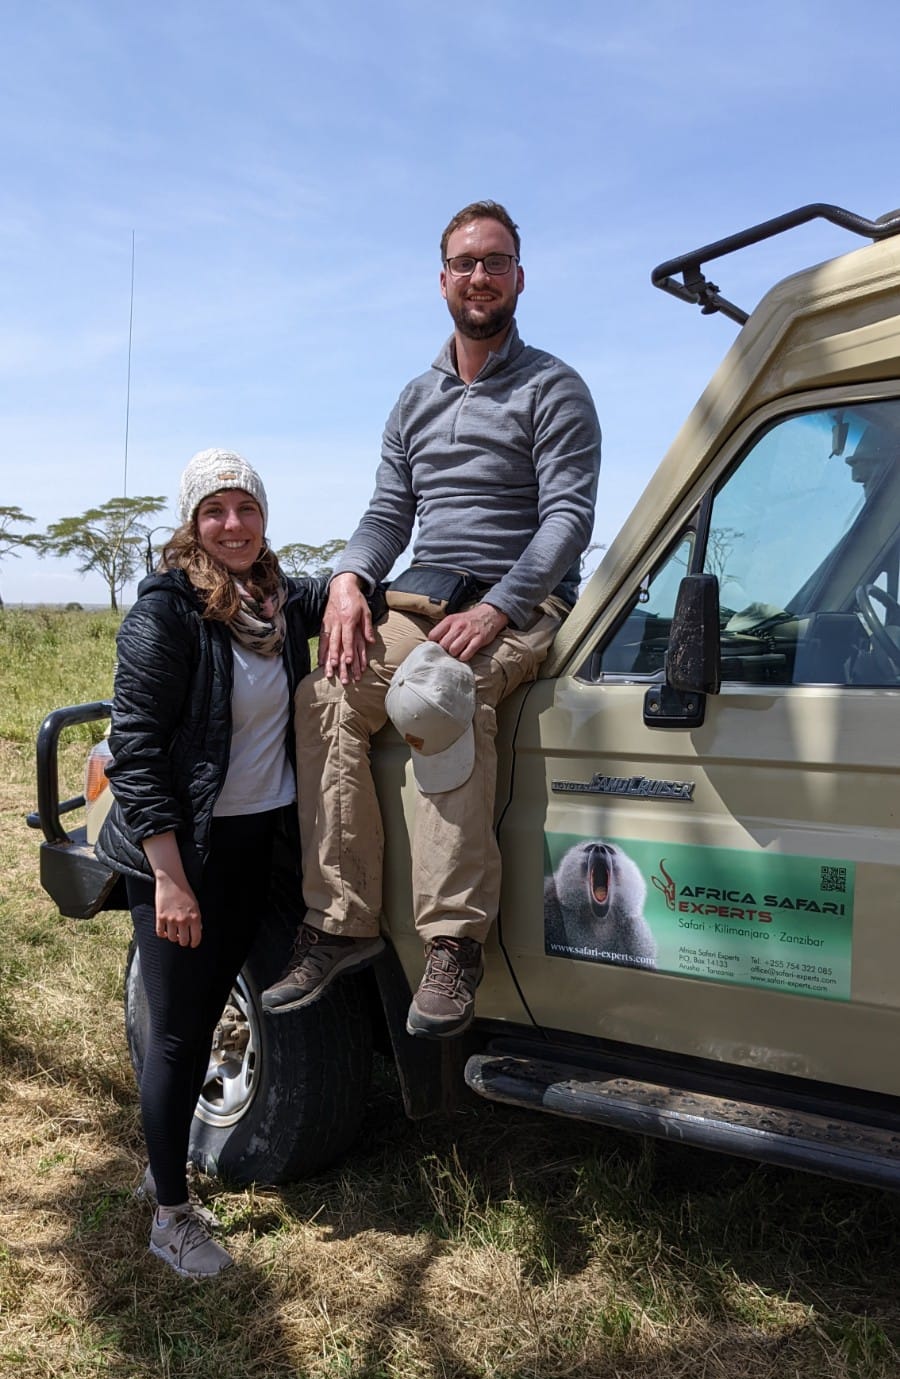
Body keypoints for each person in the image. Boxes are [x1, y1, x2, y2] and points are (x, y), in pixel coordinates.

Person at [262, 199, 601, 1038]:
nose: (479, 277)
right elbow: (388, 514)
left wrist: (499, 607)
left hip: (517, 596)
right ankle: (341, 923)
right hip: (422, 594)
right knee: (325, 694)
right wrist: (348, 579)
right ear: (441, 279)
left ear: (519, 277)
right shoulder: (414, 398)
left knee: (438, 699)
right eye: (464, 263)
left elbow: (567, 519)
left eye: (494, 261)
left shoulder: (554, 386)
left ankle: (452, 942)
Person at [96, 450, 327, 1279]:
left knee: (208, 1011)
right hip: (179, 848)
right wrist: (166, 876)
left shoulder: (276, 598)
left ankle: (162, 1168)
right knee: (180, 1030)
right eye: (215, 510)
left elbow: (349, 591)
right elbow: (136, 750)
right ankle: (169, 1216)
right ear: (192, 522)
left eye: (246, 508)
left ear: (264, 517)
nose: (232, 524)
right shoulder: (167, 610)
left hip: (248, 843)